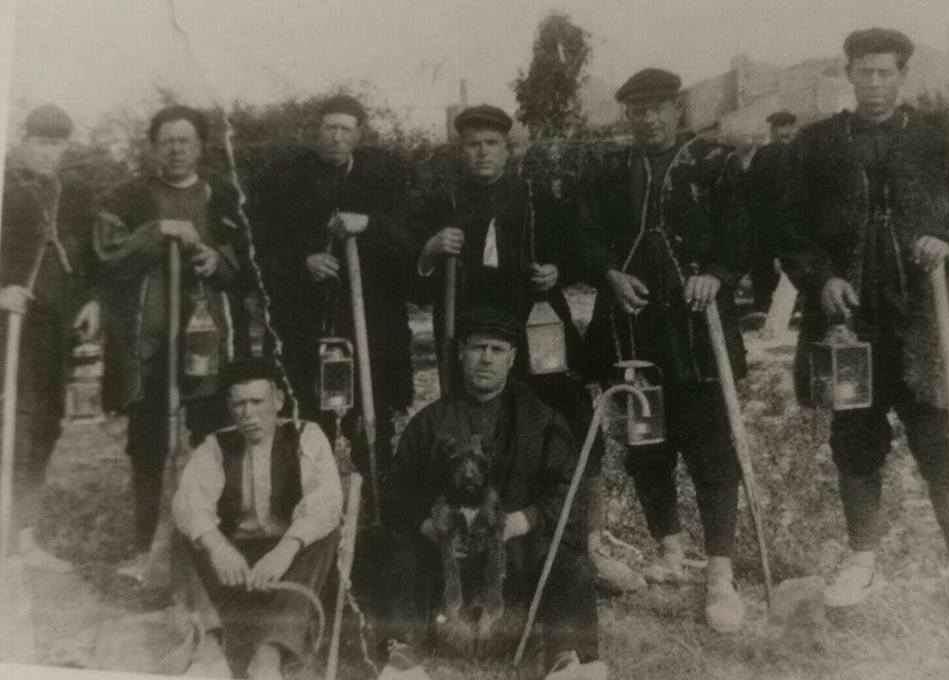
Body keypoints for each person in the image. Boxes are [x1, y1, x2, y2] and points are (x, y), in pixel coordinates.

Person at [414, 105, 643, 594]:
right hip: (472, 338)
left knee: (574, 423)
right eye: (473, 144)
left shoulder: (536, 198)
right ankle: (479, 545)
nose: (482, 152)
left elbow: (579, 250)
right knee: (475, 437)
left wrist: (556, 270)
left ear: (508, 148)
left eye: (491, 144)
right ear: (461, 150)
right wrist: (431, 250)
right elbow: (409, 274)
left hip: (536, 331)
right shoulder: (443, 201)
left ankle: (586, 543)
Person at [778, 28, 949, 608]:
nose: (876, 83)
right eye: (865, 72)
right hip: (848, 320)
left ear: (903, 75)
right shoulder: (818, 144)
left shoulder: (942, 137)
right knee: (854, 435)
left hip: (924, 317)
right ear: (849, 73)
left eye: (886, 73)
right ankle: (863, 561)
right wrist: (821, 277)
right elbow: (790, 229)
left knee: (939, 436)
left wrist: (946, 239)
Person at [577, 68, 753, 633]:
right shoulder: (609, 172)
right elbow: (583, 235)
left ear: (678, 109)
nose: (649, 118)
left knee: (709, 446)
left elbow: (747, 231)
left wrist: (719, 275)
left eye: (659, 107)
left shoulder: (716, 163)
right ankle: (671, 552)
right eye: (638, 109)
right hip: (632, 325)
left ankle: (721, 572)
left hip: (697, 327)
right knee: (645, 442)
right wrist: (608, 275)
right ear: (626, 115)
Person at [381, 306, 607, 680]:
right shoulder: (430, 422)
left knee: (568, 563)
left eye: (498, 349)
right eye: (477, 348)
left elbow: (567, 488)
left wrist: (523, 520)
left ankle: (566, 659)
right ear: (460, 353)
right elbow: (396, 492)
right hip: (447, 554)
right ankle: (402, 654)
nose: (486, 358)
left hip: (516, 548)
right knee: (401, 553)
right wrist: (429, 527)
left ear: (513, 358)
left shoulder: (542, 419)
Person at [95, 105, 251, 579]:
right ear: (153, 146)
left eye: (186, 140)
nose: (177, 149)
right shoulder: (127, 198)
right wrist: (155, 232)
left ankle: (215, 542)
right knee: (148, 444)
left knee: (214, 439)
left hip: (207, 342)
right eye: (167, 141)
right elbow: (106, 257)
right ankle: (148, 548)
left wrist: (216, 260)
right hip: (150, 344)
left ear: (201, 148)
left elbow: (251, 263)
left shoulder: (224, 197)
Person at [247, 94, 417, 477]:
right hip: (304, 322)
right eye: (330, 128)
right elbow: (260, 247)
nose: (336, 137)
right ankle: (304, 506)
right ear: (317, 131)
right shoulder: (285, 184)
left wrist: (370, 225)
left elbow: (407, 242)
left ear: (358, 135)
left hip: (367, 321)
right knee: (304, 420)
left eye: (345, 129)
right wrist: (301, 261)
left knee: (370, 421)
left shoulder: (381, 183)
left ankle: (375, 506)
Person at [172, 357, 342, 679]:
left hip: (290, 558)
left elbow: (325, 501)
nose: (248, 415)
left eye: (257, 402)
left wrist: (285, 549)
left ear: (278, 400)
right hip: (236, 558)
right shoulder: (217, 445)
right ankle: (209, 646)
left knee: (326, 535)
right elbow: (190, 500)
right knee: (186, 530)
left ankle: (269, 655)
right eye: (238, 405)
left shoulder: (306, 435)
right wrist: (217, 545)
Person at [0, 104, 99, 572]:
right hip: (7, 328)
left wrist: (91, 299)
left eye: (57, 144)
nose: (48, 152)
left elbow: (89, 256)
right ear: (23, 140)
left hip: (52, 329)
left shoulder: (73, 194)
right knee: (11, 426)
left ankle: (24, 536)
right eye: (41, 142)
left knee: (45, 425)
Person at [746, 110, 797, 313]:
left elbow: (749, 186)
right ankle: (774, 308)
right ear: (774, 129)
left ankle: (767, 307)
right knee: (774, 263)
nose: (783, 130)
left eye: (786, 126)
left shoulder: (768, 153)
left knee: (769, 264)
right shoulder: (769, 153)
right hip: (775, 218)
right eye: (779, 126)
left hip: (774, 218)